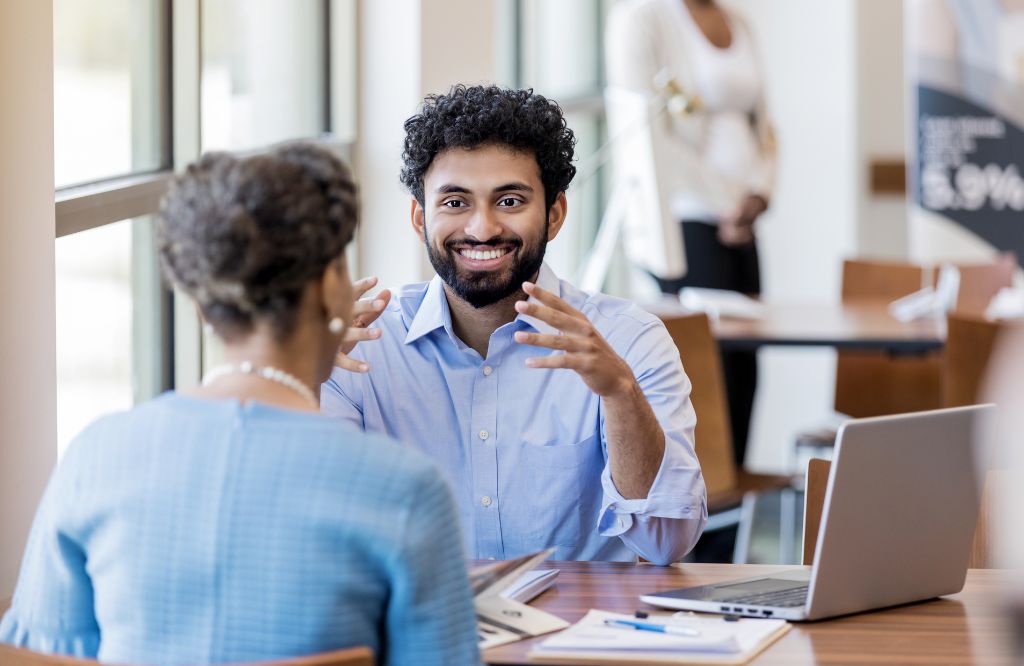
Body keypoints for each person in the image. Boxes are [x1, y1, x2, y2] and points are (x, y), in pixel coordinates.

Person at [0, 145, 479, 666]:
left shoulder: (95, 457)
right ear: (328, 289)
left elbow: (36, 653)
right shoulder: (403, 489)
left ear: (202, 301)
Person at [321, 85, 707, 565]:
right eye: (455, 202)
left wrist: (620, 392)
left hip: (583, 634)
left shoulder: (630, 340)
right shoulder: (360, 348)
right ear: (421, 219)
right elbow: (314, 537)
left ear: (555, 214)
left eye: (508, 201)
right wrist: (297, 377)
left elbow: (666, 543)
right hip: (424, 627)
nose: (482, 229)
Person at [606, 0, 777, 471]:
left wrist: (759, 194)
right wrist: (726, 201)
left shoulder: (738, 24)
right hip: (685, 222)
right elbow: (647, 133)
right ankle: (698, 519)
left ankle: (731, 521)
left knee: (744, 369)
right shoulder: (642, 20)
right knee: (702, 374)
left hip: (742, 223)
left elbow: (764, 127)